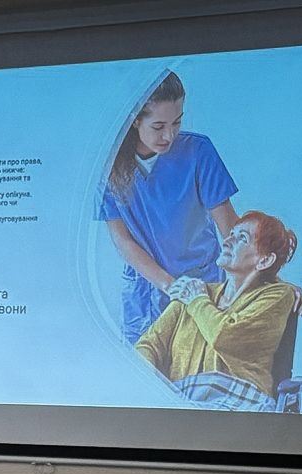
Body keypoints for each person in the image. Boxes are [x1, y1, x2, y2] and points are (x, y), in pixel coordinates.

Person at [99, 71, 240, 343]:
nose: (169, 135)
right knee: (144, 365)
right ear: (135, 120)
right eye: (158, 126)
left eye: (177, 122)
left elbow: (233, 231)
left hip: (202, 288)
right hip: (145, 295)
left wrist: (271, 285)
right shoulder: (107, 166)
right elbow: (123, 241)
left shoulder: (198, 152)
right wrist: (171, 286)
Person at [136, 210, 299, 409]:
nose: (227, 241)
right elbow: (148, 345)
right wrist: (153, 385)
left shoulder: (277, 295)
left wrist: (197, 300)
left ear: (264, 260)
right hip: (183, 402)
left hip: (242, 405)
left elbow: (225, 336)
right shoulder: (194, 292)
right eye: (231, 234)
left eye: (242, 238)